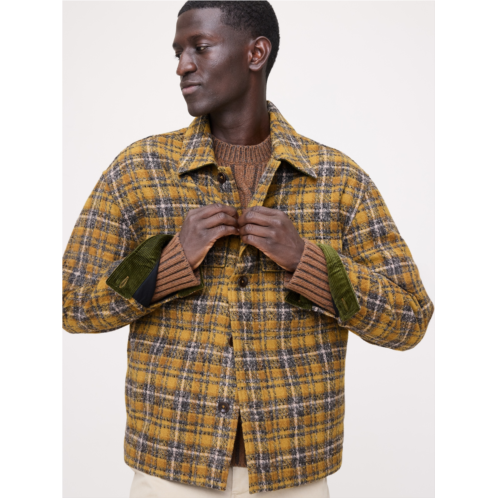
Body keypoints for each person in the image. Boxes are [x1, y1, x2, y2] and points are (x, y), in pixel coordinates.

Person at [62, 1, 435, 497]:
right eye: (177, 52)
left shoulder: (339, 181)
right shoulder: (139, 170)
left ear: (256, 53)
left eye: (200, 47)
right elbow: (73, 304)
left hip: (293, 473)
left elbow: (409, 319)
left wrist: (308, 261)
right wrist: (168, 262)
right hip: (170, 469)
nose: (182, 66)